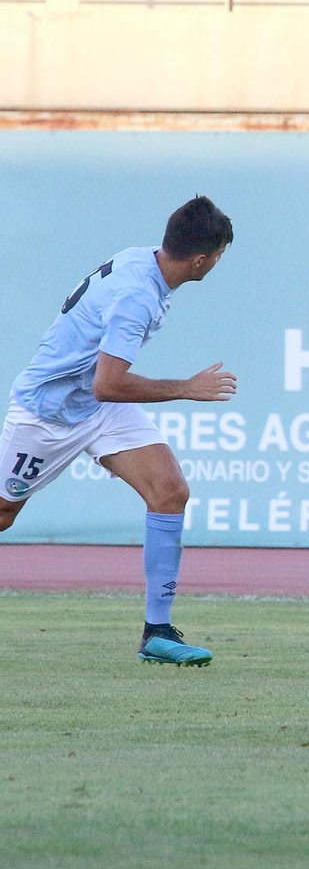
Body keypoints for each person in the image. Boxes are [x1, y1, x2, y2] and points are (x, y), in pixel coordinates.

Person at [1, 195, 236, 666]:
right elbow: (109, 383)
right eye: (219, 255)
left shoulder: (140, 259)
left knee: (170, 491)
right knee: (4, 513)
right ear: (201, 259)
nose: (217, 263)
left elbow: (101, 386)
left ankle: (158, 633)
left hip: (94, 406)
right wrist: (186, 388)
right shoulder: (138, 296)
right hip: (49, 413)